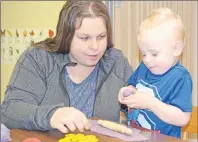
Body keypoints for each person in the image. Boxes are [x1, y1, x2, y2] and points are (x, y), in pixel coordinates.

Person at [1, 0, 133, 133]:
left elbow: (140, 112)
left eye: (101, 37)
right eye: (84, 38)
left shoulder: (116, 62)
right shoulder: (38, 59)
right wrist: (52, 115)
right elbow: (9, 112)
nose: (95, 47)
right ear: (66, 35)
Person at [118, 8, 192, 138]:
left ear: (176, 49)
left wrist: (150, 103)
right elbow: (132, 86)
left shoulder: (180, 77)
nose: (147, 59)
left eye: (154, 53)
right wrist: (126, 91)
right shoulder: (144, 67)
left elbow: (183, 118)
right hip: (135, 138)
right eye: (143, 53)